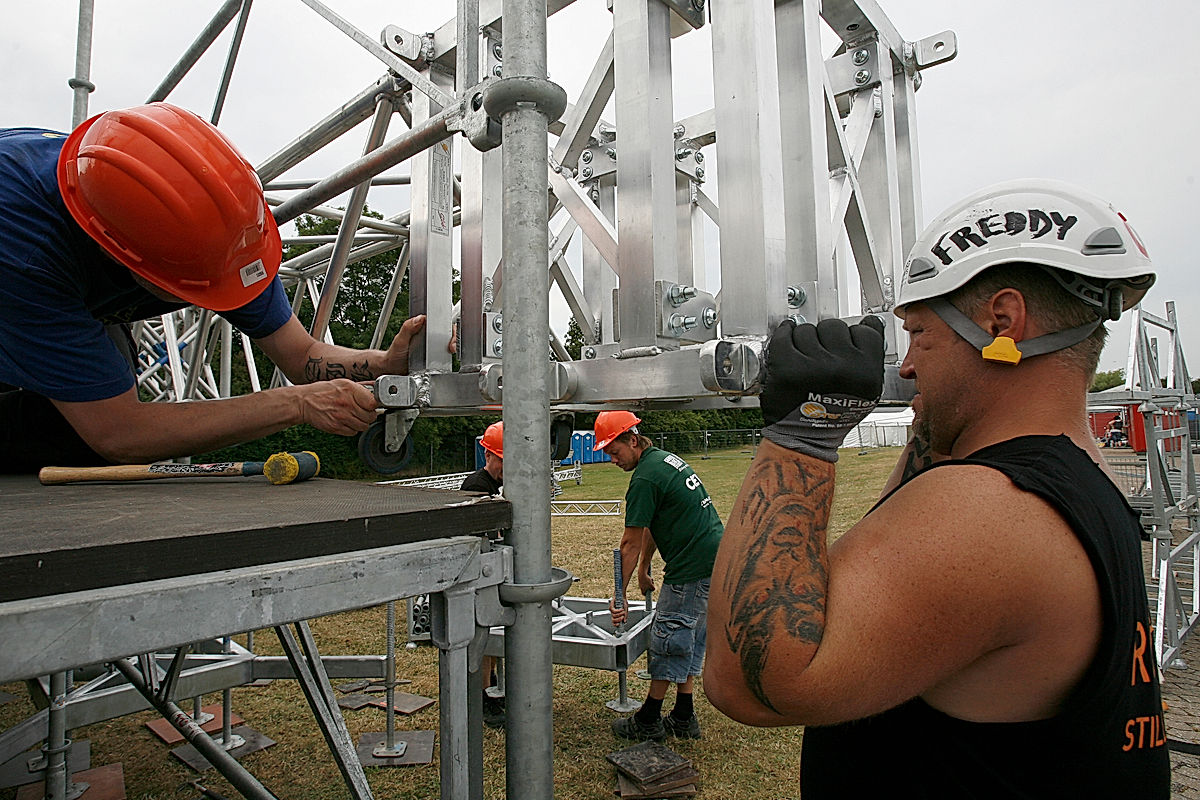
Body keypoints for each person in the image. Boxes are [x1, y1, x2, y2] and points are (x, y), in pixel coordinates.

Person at [704, 180, 1169, 797]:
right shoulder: (1077, 472)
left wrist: (804, 435)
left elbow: (749, 682)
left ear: (1002, 322)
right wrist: (934, 407)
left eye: (920, 335)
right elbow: (913, 511)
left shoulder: (993, 511)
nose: (905, 367)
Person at [0, 102, 428, 473]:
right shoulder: (25, 251)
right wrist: (296, 404)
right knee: (73, 435)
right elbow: (118, 432)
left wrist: (384, 364)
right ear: (121, 255)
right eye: (200, 285)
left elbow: (302, 356)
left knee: (105, 376)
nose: (225, 289)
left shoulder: (220, 230)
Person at [596, 410, 724, 741]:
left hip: (693, 566)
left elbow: (628, 543)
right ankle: (683, 715)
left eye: (614, 451)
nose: (612, 459)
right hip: (713, 560)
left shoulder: (645, 478)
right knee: (691, 637)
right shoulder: (663, 461)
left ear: (633, 440)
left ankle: (649, 719)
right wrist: (643, 568)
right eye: (608, 453)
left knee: (669, 637)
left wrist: (619, 596)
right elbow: (653, 525)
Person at [459, 420, 505, 727]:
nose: (505, 466)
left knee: (492, 634)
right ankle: (482, 695)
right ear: (488, 454)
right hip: (478, 572)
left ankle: (492, 687)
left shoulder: (498, 484)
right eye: (502, 460)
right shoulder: (476, 486)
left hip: (492, 570)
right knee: (482, 635)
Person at [461, 421, 504, 495]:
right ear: (488, 456)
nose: (508, 467)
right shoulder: (476, 486)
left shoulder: (506, 483)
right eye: (502, 461)